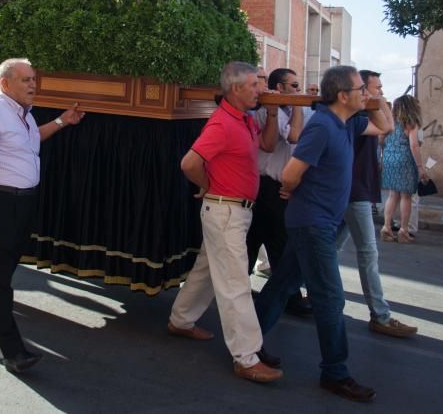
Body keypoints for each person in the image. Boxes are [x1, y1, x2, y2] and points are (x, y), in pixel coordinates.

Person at [255, 65, 390, 403]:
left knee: (282, 285)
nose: (366, 93)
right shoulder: (322, 126)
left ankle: (247, 344)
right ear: (343, 96)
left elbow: (386, 125)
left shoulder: (349, 122)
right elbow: (290, 172)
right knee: (331, 299)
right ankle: (335, 372)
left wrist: (378, 98)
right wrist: (291, 190)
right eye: (361, 89)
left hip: (323, 222)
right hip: (312, 223)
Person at [0, 58, 84, 373]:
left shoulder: (21, 115)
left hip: (19, 205)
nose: (32, 85)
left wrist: (63, 122)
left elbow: (30, 140)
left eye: (33, 79)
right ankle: (12, 351)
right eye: (25, 80)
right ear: (5, 83)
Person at [166, 61, 283, 384]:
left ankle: (180, 320)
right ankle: (246, 357)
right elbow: (189, 163)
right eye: (254, 85)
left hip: (232, 212)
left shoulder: (245, 119)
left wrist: (272, 113)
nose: (261, 89)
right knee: (235, 287)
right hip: (226, 211)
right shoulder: (222, 124)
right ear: (235, 89)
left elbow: (269, 146)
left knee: (206, 271)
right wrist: (207, 185)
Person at [336, 70, 416, 338]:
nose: (382, 91)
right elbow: (388, 128)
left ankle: (299, 292)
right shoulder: (355, 117)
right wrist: (380, 104)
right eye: (376, 88)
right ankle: (380, 315)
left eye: (381, 88)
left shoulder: (362, 115)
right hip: (354, 192)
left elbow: (383, 133)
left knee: (330, 249)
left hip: (359, 190)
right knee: (368, 253)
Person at [246, 68, 312, 317]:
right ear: (279, 87)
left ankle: (288, 296)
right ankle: (245, 293)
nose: (299, 90)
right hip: (263, 186)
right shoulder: (266, 111)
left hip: (282, 187)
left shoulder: (297, 110)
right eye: (294, 86)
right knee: (254, 242)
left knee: (280, 245)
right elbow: (294, 136)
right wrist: (296, 105)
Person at [380, 94, 427, 243]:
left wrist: (386, 153)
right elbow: (414, 145)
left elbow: (380, 139)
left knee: (392, 195)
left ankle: (386, 228)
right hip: (405, 160)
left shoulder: (389, 122)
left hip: (389, 159)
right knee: (406, 197)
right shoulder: (411, 123)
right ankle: (403, 231)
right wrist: (420, 167)